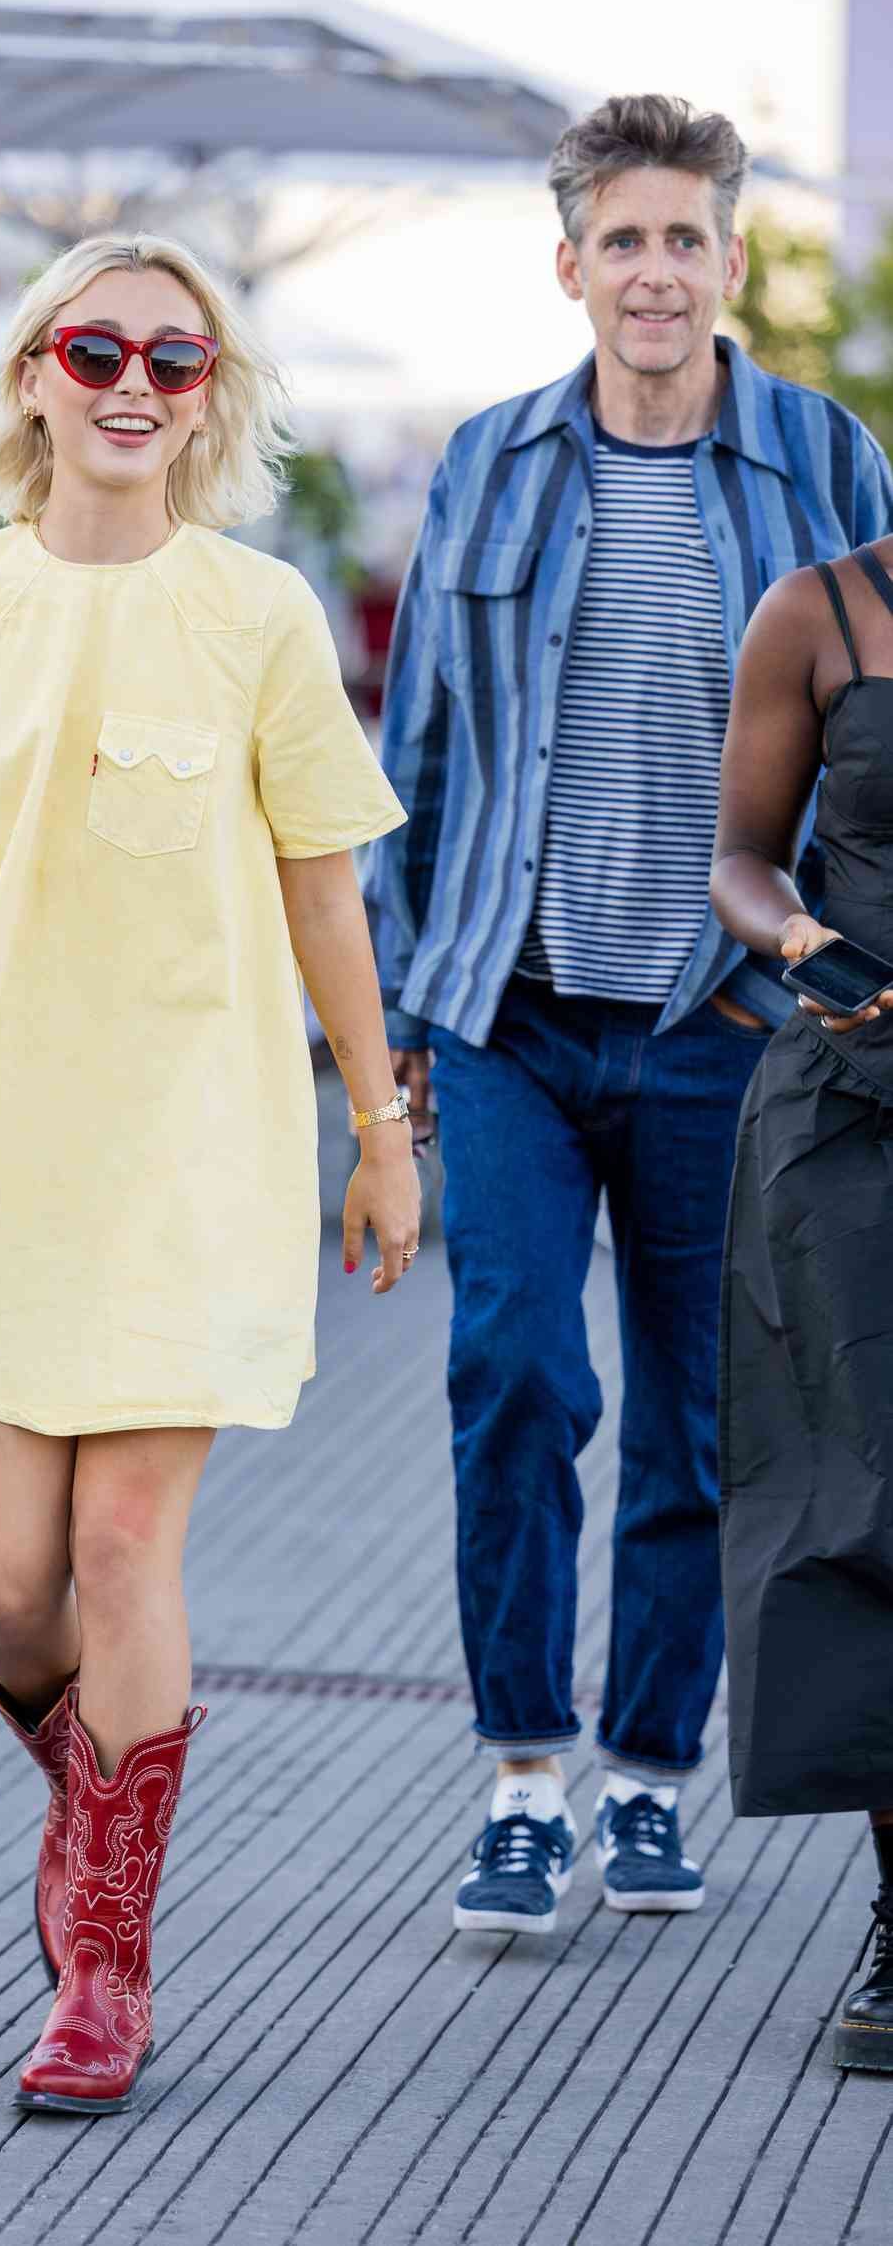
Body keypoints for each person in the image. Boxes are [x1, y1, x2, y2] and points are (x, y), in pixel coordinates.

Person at [0, 233, 418, 2112]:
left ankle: (104, 1954)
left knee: (124, 1546)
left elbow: (326, 879)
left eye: (175, 352)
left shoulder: (260, 614)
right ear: (35, 379)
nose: (134, 379)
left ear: (211, 388)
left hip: (190, 1154)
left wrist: (378, 1122)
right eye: (97, 347)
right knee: (3, 1593)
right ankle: (99, 1823)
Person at [367, 93, 893, 1939]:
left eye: (688, 238)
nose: (654, 270)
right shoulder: (491, 464)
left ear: (732, 263)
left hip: (730, 1018)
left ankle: (653, 1776)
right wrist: (391, 1020)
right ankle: (524, 1773)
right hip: (510, 1008)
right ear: (570, 261)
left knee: (690, 1411)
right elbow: (415, 748)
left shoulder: (828, 460)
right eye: (624, 238)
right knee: (513, 1375)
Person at [711, 543, 893, 2072]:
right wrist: (801, 940)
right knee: (868, 1503)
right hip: (855, 1113)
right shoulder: (819, 612)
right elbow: (741, 861)